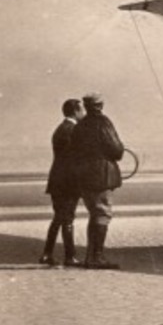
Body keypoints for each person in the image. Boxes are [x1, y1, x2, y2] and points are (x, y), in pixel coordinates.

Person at [70, 92, 127, 270]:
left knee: (94, 214)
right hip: (101, 176)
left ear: (86, 107)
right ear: (100, 106)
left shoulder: (79, 126)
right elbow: (116, 150)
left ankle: (91, 256)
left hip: (84, 176)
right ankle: (97, 257)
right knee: (102, 214)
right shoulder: (103, 122)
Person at [39, 98, 85, 266]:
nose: (84, 114)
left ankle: (47, 254)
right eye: (82, 111)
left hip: (57, 180)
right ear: (76, 111)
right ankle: (69, 256)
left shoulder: (61, 129)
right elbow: (76, 158)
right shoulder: (72, 130)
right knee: (67, 218)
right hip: (68, 182)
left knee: (59, 218)